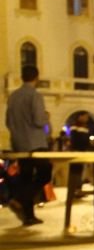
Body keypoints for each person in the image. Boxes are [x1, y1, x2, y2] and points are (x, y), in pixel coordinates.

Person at [4, 65, 50, 225]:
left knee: (26, 177)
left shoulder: (13, 96)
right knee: (45, 173)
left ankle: (28, 216)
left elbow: (8, 122)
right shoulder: (35, 96)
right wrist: (46, 118)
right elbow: (38, 120)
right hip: (35, 143)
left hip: (19, 143)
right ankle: (19, 199)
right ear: (36, 78)